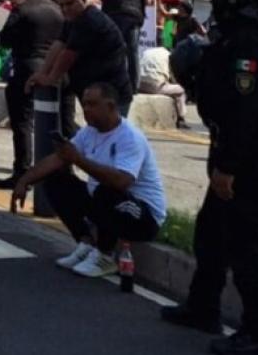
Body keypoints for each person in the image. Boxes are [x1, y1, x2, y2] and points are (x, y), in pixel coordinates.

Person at [161, 0, 258, 355]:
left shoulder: (250, 38)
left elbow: (245, 111)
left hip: (249, 155)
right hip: (240, 149)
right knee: (212, 233)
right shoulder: (242, 31)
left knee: (249, 244)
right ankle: (203, 307)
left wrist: (227, 166)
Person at [12, 82, 166, 277]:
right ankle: (86, 244)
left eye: (92, 104)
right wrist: (24, 180)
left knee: (106, 191)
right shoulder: (89, 132)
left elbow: (121, 181)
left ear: (110, 106)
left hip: (143, 215)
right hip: (108, 201)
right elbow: (58, 159)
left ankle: (105, 256)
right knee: (56, 180)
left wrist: (78, 160)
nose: (86, 109)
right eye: (84, 104)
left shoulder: (129, 137)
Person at [0, 0, 66, 189]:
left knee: (22, 122)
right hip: (53, 69)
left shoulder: (22, 9)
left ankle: (23, 171)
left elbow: (4, 39)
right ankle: (53, 169)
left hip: (25, 67)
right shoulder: (58, 10)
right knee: (54, 122)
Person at [27, 0, 133, 116]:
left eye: (70, 4)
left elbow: (68, 55)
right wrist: (42, 73)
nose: (65, 9)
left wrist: (51, 78)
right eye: (61, 5)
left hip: (111, 96)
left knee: (109, 135)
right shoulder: (72, 20)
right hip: (93, 92)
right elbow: (59, 44)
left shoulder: (90, 20)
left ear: (82, 0)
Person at [97, 0, 149, 91]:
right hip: (134, 17)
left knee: (114, 50)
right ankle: (134, 85)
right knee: (133, 52)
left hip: (113, 16)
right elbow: (148, 0)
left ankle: (115, 83)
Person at [139, 46, 189, 129]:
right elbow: (173, 78)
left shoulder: (148, 51)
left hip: (139, 84)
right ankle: (181, 118)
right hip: (154, 86)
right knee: (181, 90)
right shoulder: (169, 56)